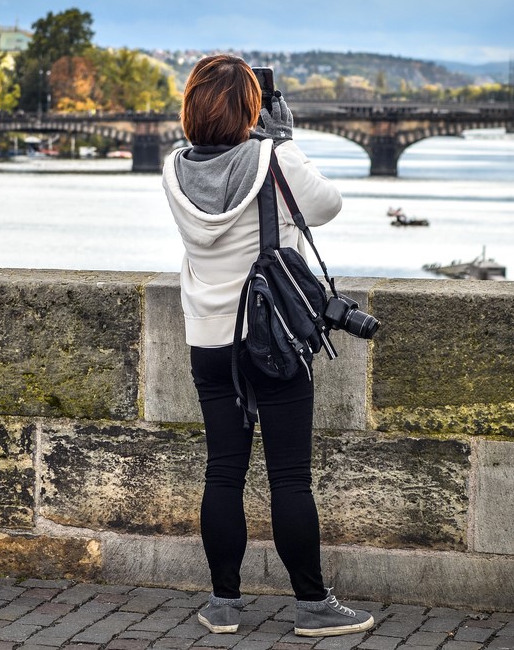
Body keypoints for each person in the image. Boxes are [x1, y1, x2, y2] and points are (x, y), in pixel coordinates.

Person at [162, 54, 374, 638]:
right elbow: (326, 206)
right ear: (252, 109)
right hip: (272, 336)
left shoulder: (174, 170)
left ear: (192, 108)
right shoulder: (273, 158)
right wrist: (284, 143)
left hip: (209, 341)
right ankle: (312, 605)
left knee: (223, 472)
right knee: (289, 479)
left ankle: (223, 604)